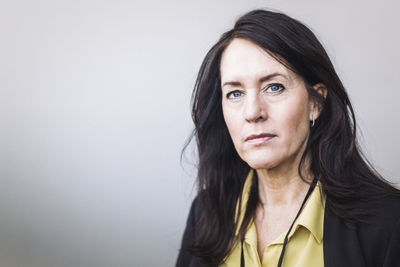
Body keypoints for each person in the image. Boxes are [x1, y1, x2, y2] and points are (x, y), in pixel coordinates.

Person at [176, 9, 400, 267]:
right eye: (235, 93)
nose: (252, 112)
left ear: (316, 104)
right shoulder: (205, 212)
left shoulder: (389, 223)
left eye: (274, 87)